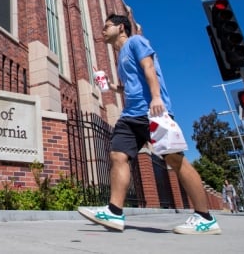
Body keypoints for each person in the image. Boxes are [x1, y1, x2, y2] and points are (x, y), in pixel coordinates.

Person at [77, 14, 221, 235]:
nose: (102, 30)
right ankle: (114, 211)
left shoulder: (136, 42)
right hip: (130, 115)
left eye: (107, 26)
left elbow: (149, 68)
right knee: (118, 155)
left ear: (121, 28)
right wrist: (112, 87)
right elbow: (132, 85)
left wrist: (156, 98)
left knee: (175, 159)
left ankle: (205, 218)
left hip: (151, 111)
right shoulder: (120, 56)